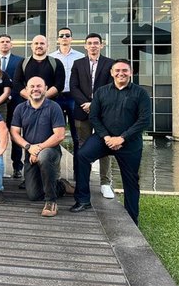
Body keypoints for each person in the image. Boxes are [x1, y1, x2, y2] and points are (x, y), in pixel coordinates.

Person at [71, 59, 151, 225]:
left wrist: (122, 138)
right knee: (82, 155)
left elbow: (144, 120)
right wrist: (106, 137)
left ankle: (132, 217)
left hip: (129, 142)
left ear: (131, 72)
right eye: (117, 70)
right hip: (104, 139)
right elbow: (94, 117)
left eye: (125, 70)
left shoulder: (141, 93)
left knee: (131, 179)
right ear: (112, 73)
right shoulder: (102, 92)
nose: (121, 73)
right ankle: (83, 200)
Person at [11, 77, 70, 217]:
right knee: (33, 195)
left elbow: (59, 135)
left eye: (39, 86)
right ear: (26, 90)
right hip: (30, 153)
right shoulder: (20, 108)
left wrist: (38, 148)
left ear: (45, 88)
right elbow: (14, 133)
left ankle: (51, 201)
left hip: (51, 151)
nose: (35, 89)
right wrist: (28, 147)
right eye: (32, 86)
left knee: (44, 156)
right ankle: (61, 186)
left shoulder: (54, 107)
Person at [12, 34, 65, 190]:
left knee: (51, 139)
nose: (39, 46)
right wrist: (32, 98)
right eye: (36, 43)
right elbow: (17, 83)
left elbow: (59, 84)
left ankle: (55, 178)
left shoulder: (55, 63)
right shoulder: (24, 63)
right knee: (29, 136)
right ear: (31, 46)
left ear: (47, 46)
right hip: (28, 107)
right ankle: (29, 176)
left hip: (50, 106)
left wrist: (41, 98)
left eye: (42, 43)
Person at [70, 33, 115, 198]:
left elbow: (112, 87)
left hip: (104, 112)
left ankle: (105, 183)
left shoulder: (110, 64)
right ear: (85, 46)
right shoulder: (78, 64)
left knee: (106, 145)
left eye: (96, 43)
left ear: (101, 45)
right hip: (82, 111)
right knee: (82, 146)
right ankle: (83, 181)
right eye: (89, 43)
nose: (93, 46)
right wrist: (86, 103)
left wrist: (94, 104)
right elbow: (73, 87)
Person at [49, 27, 85, 150]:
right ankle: (55, 159)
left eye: (67, 35)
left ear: (71, 39)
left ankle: (78, 161)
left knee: (77, 133)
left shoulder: (80, 56)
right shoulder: (51, 57)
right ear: (58, 39)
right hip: (56, 97)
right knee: (55, 132)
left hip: (73, 97)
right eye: (61, 35)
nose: (64, 37)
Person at [0, 34, 23, 178]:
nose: (5, 44)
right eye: (2, 42)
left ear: (11, 45)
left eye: (7, 41)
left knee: (15, 134)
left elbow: (20, 82)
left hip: (15, 103)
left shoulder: (19, 61)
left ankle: (17, 167)